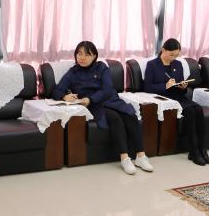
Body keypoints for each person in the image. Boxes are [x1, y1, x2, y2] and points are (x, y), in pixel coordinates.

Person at [53, 41, 154, 175]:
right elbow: (57, 90)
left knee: (130, 114)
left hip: (110, 99)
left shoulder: (101, 67)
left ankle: (141, 156)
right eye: (79, 53)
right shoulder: (73, 72)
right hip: (94, 105)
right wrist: (64, 96)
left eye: (87, 54)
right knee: (115, 118)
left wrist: (91, 98)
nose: (82, 57)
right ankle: (125, 158)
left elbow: (107, 89)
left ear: (94, 56)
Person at [143, 38, 209, 166]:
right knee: (189, 111)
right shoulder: (152, 65)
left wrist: (183, 86)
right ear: (163, 50)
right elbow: (147, 87)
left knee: (198, 109)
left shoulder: (178, 64)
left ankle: (202, 149)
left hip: (178, 96)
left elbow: (180, 84)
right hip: (164, 99)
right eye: (171, 55)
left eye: (176, 55)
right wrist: (165, 85)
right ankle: (193, 151)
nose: (173, 58)